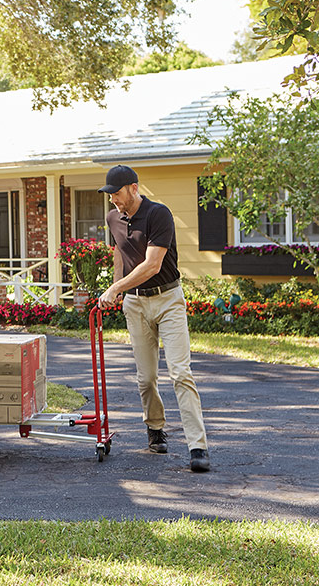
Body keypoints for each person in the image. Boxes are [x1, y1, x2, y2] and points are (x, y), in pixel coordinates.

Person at [97, 165, 210, 473]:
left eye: (117, 194)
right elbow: (120, 252)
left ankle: (197, 446)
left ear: (133, 188)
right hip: (135, 304)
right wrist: (120, 290)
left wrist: (115, 287)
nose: (114, 201)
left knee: (180, 373)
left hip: (168, 300)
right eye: (110, 196)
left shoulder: (159, 214)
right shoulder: (112, 218)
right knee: (146, 378)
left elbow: (152, 265)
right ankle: (155, 428)